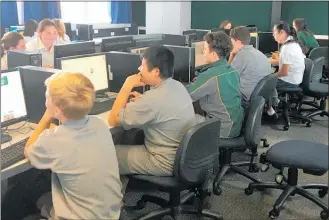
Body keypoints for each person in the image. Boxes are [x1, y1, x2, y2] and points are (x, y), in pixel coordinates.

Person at [24, 72, 122, 219]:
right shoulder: (99, 124)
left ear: (57, 109)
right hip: (111, 213)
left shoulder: (52, 140)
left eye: (47, 98)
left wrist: (46, 116)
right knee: (45, 199)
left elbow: (28, 151)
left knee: (27, 205)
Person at [108, 46, 195, 196]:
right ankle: (120, 189)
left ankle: (113, 201)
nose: (139, 68)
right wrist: (144, 102)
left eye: (142, 65)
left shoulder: (152, 100)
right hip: (184, 156)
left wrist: (127, 85)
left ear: (155, 71)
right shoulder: (177, 85)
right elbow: (161, 106)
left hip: (163, 161)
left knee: (107, 153)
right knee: (130, 137)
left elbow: (113, 119)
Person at [187, 31, 244, 138]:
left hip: (222, 129)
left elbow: (185, 97)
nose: (202, 52)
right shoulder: (232, 70)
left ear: (213, 54)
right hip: (235, 124)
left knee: (181, 120)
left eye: (204, 50)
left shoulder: (210, 75)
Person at [267, 21, 305, 117]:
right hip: (296, 77)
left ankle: (272, 108)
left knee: (265, 82)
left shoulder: (287, 48)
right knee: (268, 78)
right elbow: (283, 62)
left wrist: (271, 76)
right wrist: (267, 61)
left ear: (282, 32)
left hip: (290, 80)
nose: (273, 35)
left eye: (274, 33)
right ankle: (274, 103)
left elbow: (284, 72)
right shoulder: (293, 44)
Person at [228, 26, 272, 108]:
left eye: (231, 41)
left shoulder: (242, 55)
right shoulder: (259, 53)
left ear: (237, 41)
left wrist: (232, 54)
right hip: (261, 97)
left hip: (246, 98)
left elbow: (227, 76)